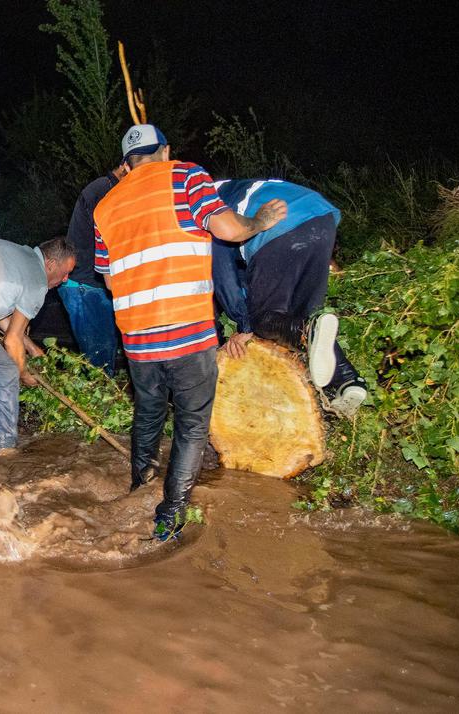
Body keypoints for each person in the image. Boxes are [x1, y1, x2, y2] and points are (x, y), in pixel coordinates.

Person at [93, 125, 288, 540]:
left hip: (137, 340)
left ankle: (140, 487)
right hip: (187, 331)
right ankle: (170, 514)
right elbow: (228, 230)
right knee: (191, 424)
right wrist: (260, 220)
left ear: (127, 164)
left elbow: (109, 281)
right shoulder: (184, 176)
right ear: (164, 151)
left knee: (148, 414)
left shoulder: (105, 207)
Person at [211, 178, 367, 417]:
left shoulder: (202, 204)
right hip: (320, 218)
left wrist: (245, 325)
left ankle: (309, 333)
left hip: (281, 225)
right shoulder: (227, 189)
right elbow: (243, 277)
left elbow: (223, 273)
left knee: (264, 320)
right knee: (296, 322)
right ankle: (348, 382)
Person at [0, 237, 76, 455]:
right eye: (65, 273)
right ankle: (5, 450)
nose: (66, 279)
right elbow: (11, 340)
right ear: (51, 264)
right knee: (6, 372)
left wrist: (33, 349)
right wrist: (24, 375)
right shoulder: (37, 280)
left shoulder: (22, 257)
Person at [59, 164, 127, 374]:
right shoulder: (104, 192)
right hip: (85, 287)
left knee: (104, 354)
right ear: (125, 168)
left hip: (92, 286)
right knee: (99, 363)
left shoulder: (105, 188)